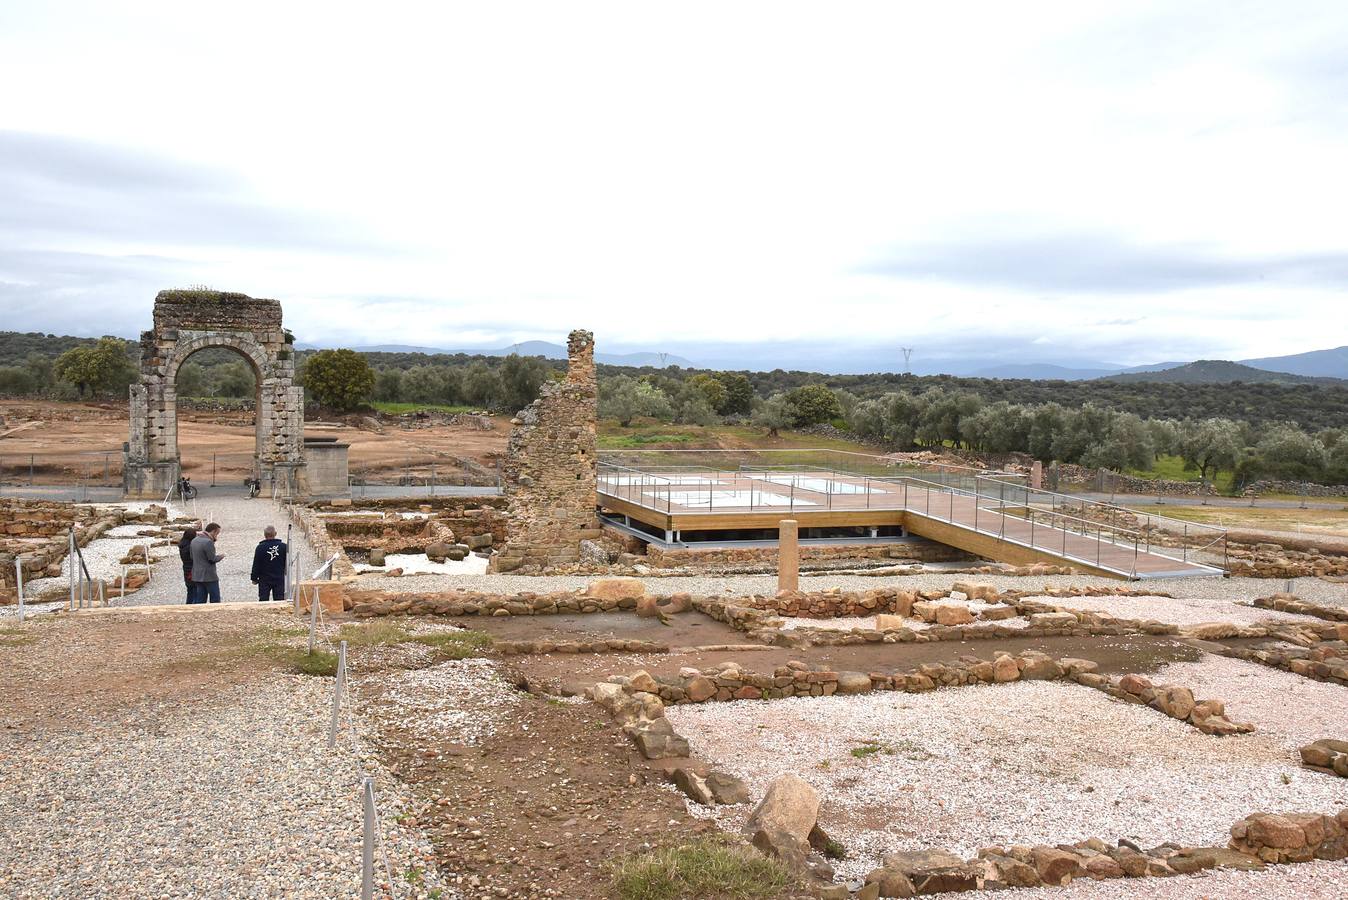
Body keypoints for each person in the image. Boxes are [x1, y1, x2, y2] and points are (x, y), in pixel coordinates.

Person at [190, 522, 226, 604]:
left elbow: (192, 557)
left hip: (197, 575)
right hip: (209, 576)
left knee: (200, 599)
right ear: (213, 532)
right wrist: (221, 556)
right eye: (217, 533)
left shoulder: (194, 541)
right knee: (215, 599)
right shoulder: (208, 542)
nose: (217, 536)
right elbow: (212, 559)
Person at [250, 525, 288, 602]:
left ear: (264, 535)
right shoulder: (283, 547)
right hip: (279, 578)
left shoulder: (260, 547)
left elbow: (256, 564)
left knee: (263, 600)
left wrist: (254, 578)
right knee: (279, 599)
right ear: (275, 533)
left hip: (264, 579)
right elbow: (287, 562)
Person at [179, 525, 198, 603]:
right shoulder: (191, 547)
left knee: (189, 590)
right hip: (193, 570)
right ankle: (194, 606)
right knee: (195, 590)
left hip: (186, 568)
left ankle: (189, 605)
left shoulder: (182, 545)